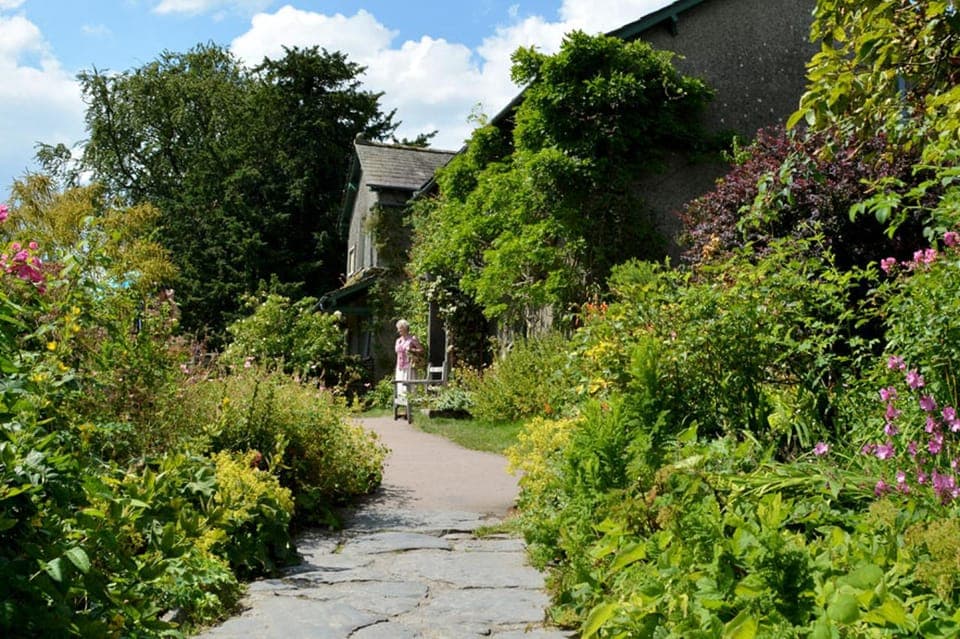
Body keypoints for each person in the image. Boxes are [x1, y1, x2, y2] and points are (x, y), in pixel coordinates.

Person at [394, 319, 423, 400]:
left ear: (405, 328)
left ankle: (411, 402)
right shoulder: (398, 340)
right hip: (400, 366)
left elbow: (421, 350)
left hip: (409, 366)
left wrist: (412, 350)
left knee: (409, 386)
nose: (398, 330)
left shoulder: (412, 338)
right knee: (400, 386)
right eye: (398, 328)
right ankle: (402, 402)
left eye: (400, 328)